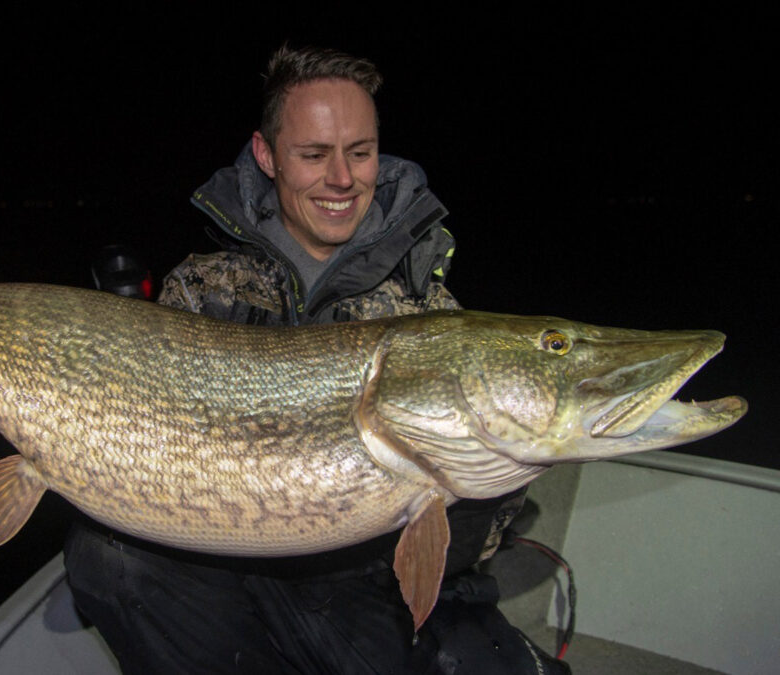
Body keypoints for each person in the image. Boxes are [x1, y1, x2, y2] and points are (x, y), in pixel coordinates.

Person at [65, 45, 563, 674]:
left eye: (360, 152)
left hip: (361, 578)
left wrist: (485, 489)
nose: (343, 179)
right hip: (229, 565)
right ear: (267, 155)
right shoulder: (201, 291)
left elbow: (475, 539)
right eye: (313, 154)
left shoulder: (425, 309)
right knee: (107, 561)